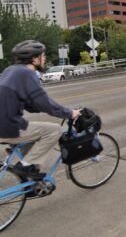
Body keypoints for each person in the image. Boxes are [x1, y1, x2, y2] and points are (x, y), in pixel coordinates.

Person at [0, 40, 81, 180]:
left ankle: (31, 180)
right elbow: (45, 103)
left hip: (5, 123)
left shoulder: (11, 70)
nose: (45, 59)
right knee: (54, 130)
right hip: (7, 126)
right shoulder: (27, 73)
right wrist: (69, 113)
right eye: (43, 56)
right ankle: (25, 167)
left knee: (34, 133)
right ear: (35, 59)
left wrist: (38, 108)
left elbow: (26, 101)